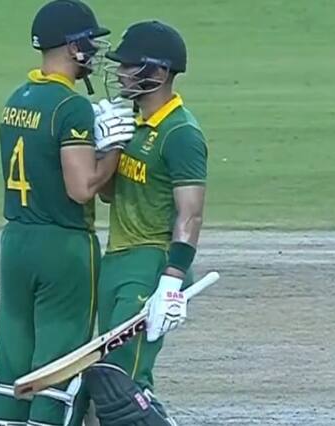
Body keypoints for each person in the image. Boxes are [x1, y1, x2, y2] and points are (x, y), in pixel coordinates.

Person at [0, 1, 135, 425]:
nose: (94, 51)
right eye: (89, 42)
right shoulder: (71, 107)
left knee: (14, 347)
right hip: (63, 245)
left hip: (16, 241)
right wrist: (113, 148)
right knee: (60, 358)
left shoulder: (17, 98)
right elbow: (81, 188)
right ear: (72, 46)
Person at [84, 20, 209, 425]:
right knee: (120, 378)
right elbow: (108, 194)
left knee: (118, 382)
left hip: (152, 265)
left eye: (129, 65)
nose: (120, 72)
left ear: (159, 72)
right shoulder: (133, 125)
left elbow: (191, 212)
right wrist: (106, 149)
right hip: (116, 261)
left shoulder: (181, 133)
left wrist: (172, 281)